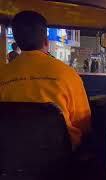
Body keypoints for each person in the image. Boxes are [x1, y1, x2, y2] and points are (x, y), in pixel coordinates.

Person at [0, 11, 91, 150]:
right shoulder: (67, 74)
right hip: (61, 160)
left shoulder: (3, 74)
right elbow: (83, 126)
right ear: (46, 41)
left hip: (10, 157)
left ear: (16, 42)